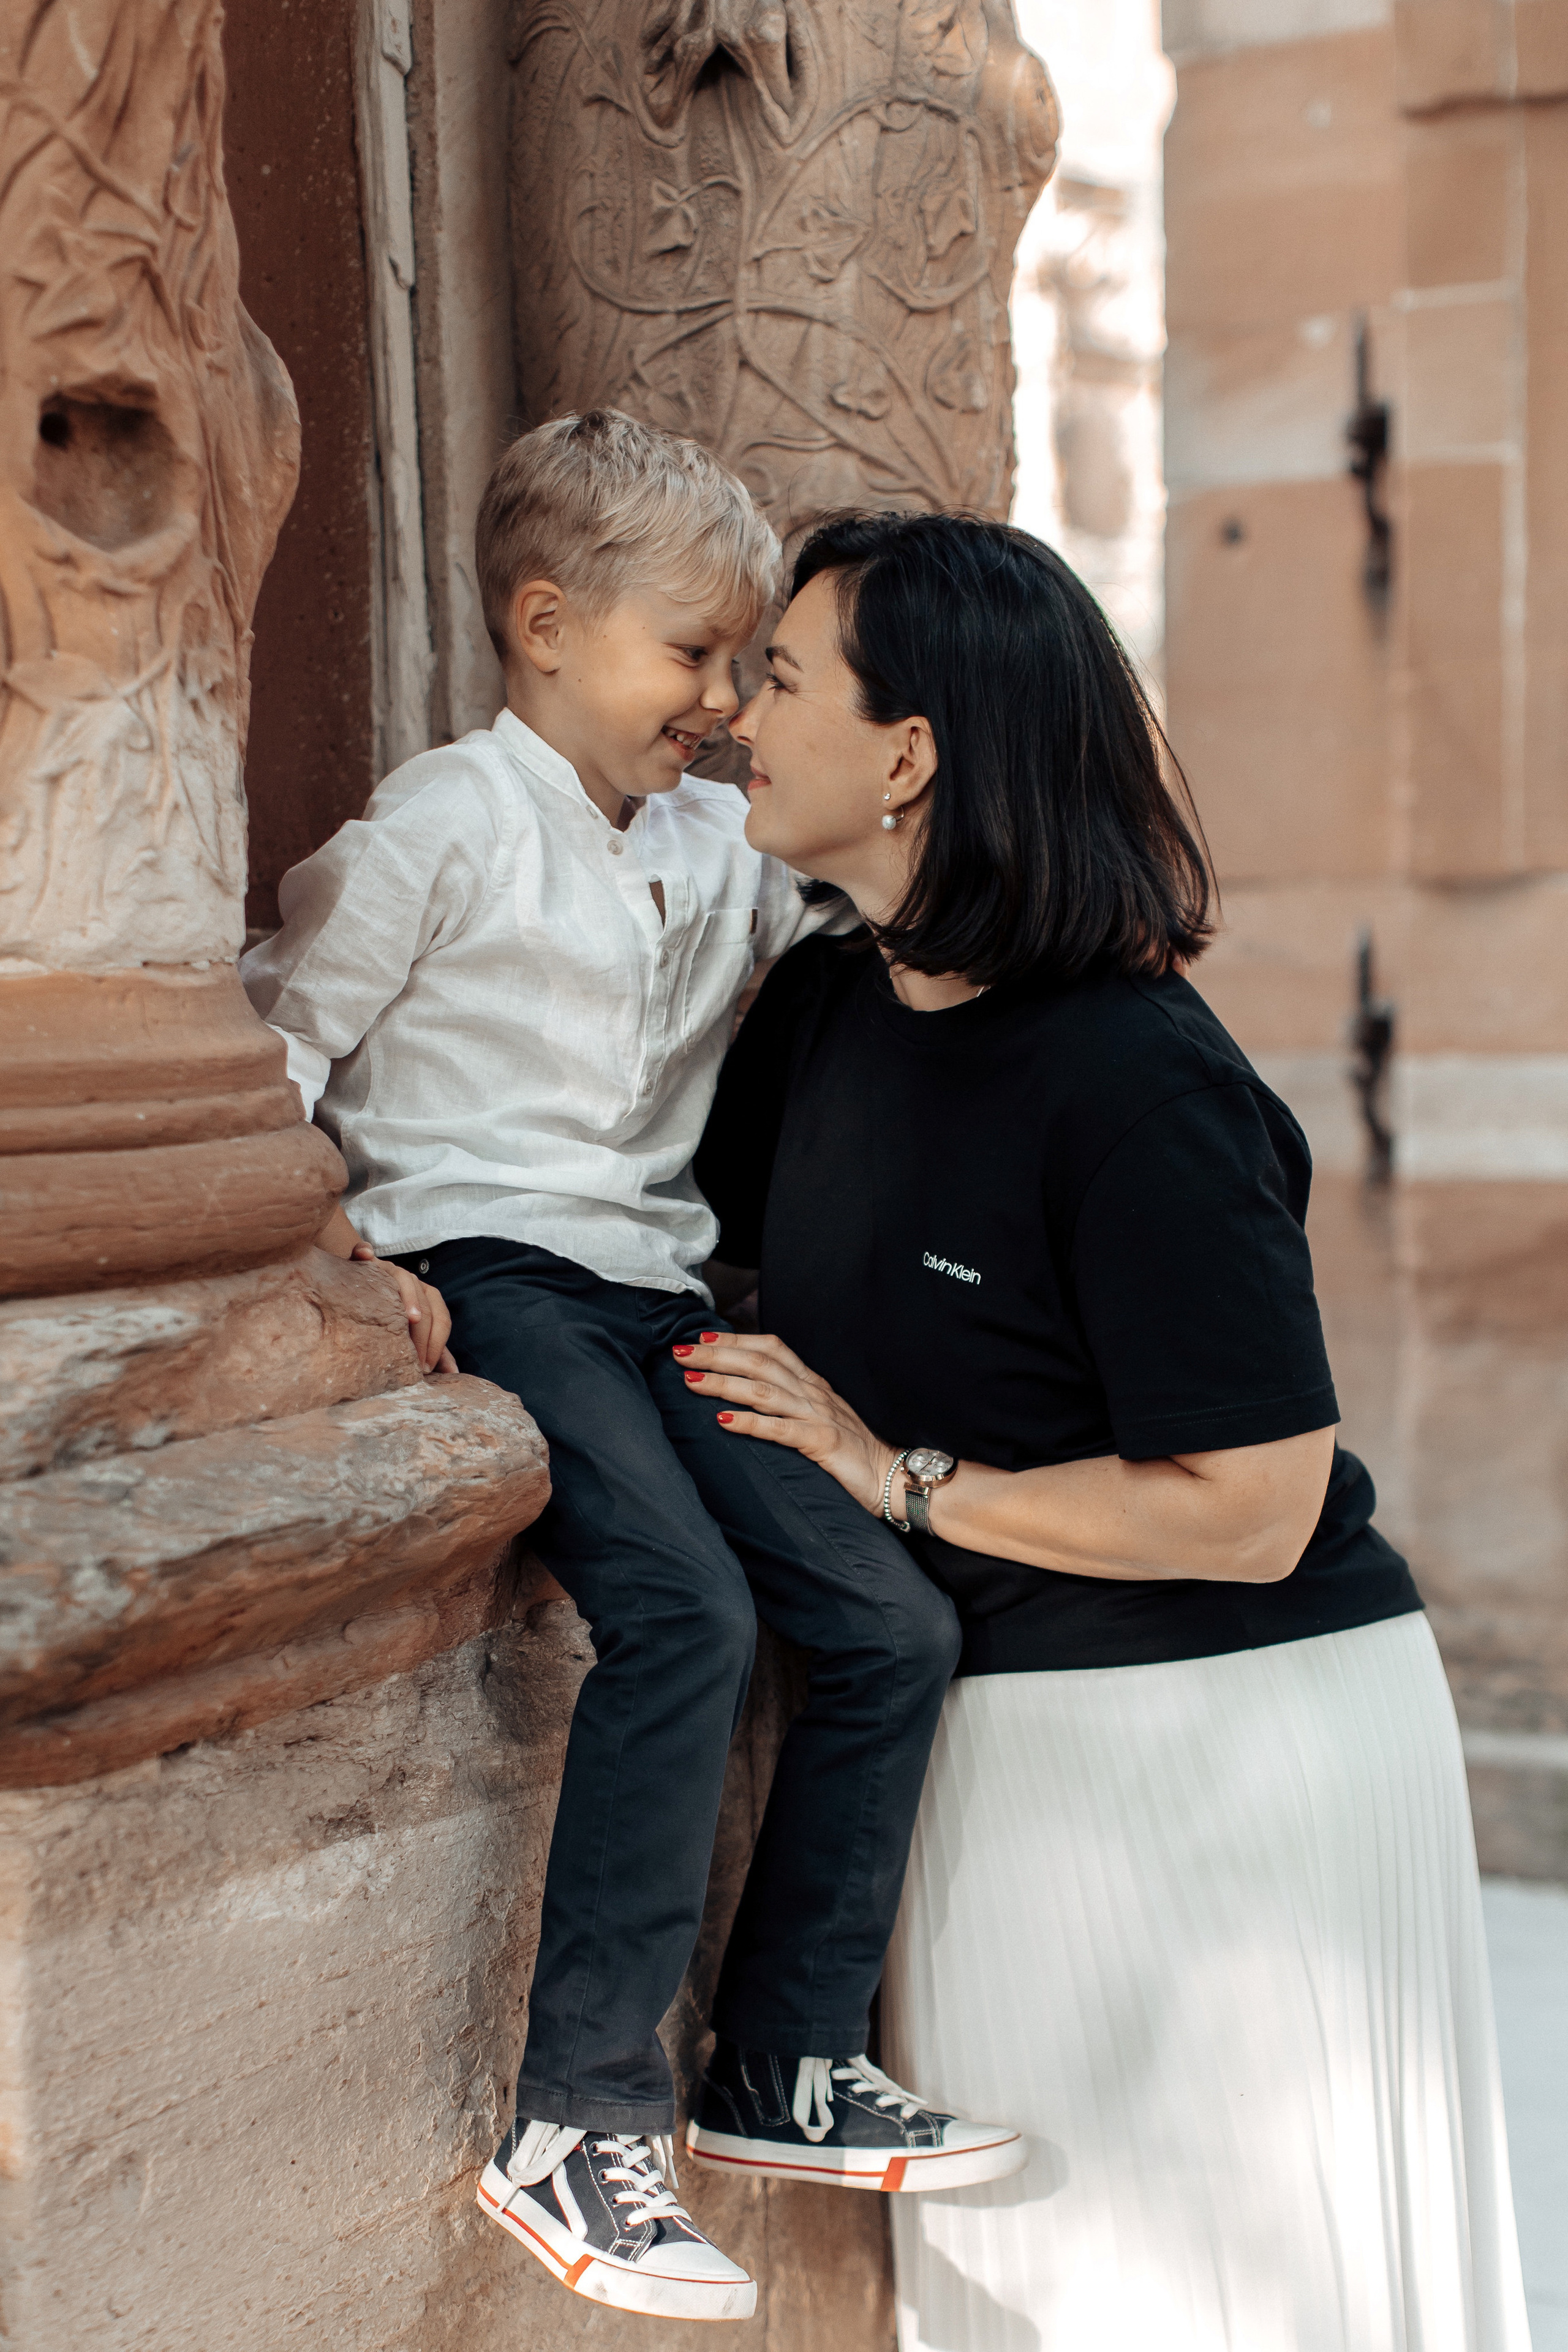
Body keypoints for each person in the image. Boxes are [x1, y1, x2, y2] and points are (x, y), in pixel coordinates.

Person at [686, 510, 1532, 2352]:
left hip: (1224, 1740)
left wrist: (890, 1475)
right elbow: (718, 1280)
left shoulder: (1143, 1080)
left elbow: (1249, 1506)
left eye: (783, 678)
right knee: (1044, 2297)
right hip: (989, 1741)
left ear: (907, 756)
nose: (741, 714)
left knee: (1210, 2292)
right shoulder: (821, 1007)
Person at [240, 417, 1022, 2328]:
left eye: (755, 664)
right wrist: (350, 1256)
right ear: (545, 626)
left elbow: (880, 890)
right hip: (495, 1270)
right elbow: (279, 1048)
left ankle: (782, 2058)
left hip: (665, 1298)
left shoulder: (714, 846)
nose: (728, 700)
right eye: (698, 656)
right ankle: (578, 2117)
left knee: (887, 1620)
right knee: (680, 1606)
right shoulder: (440, 824)